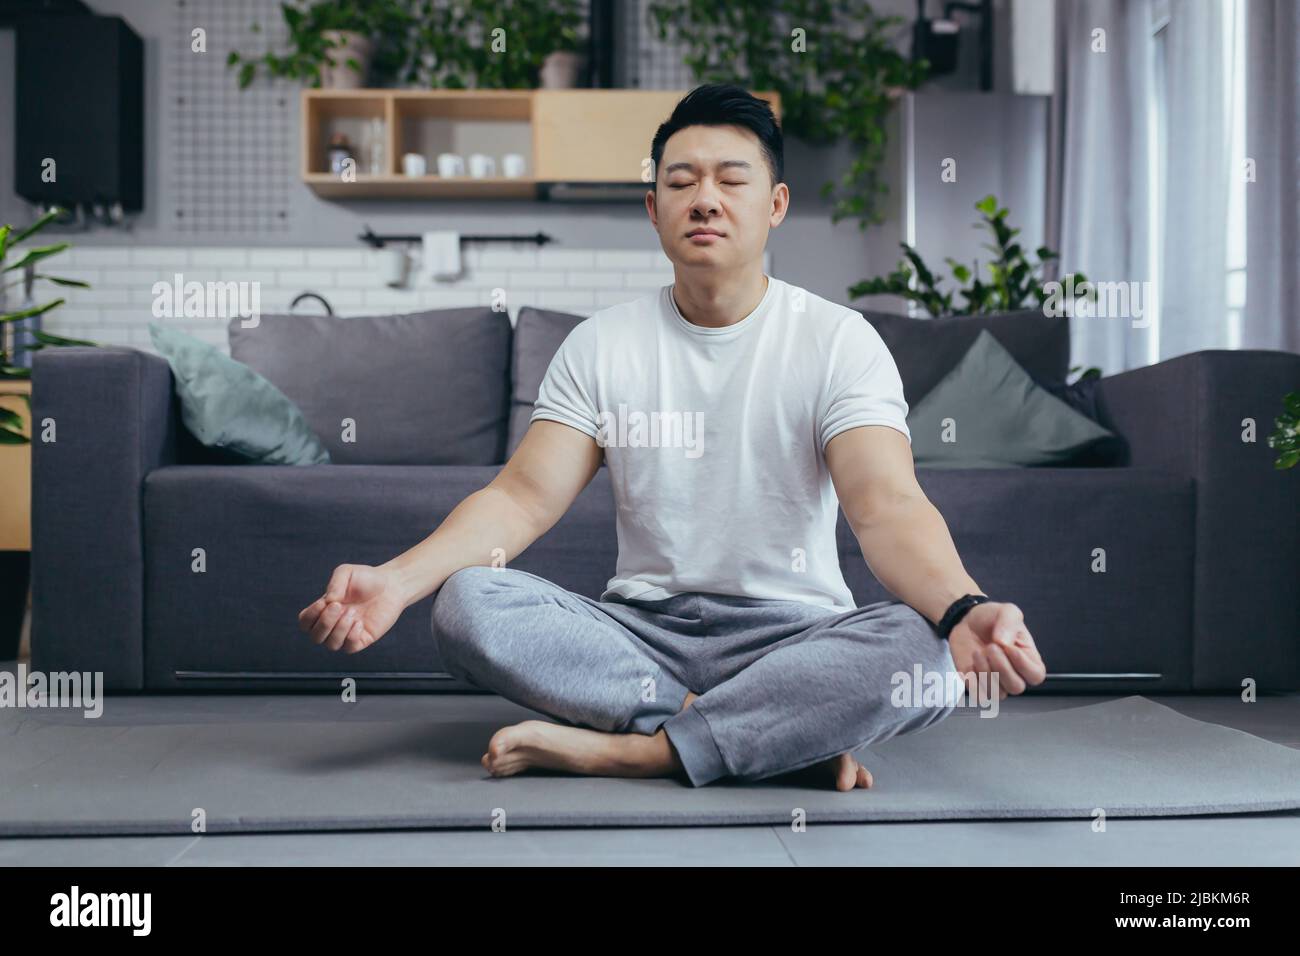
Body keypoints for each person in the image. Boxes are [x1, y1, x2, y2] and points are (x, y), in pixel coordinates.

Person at [298, 84, 1047, 790]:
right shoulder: (601, 344)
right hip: (641, 636)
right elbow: (521, 500)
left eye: (731, 179)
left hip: (793, 640)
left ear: (777, 203)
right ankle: (766, 742)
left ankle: (643, 750)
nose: (706, 200)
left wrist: (962, 608)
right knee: (468, 603)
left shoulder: (839, 341)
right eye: (682, 182)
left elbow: (886, 506)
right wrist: (396, 582)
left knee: (929, 655)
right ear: (653, 209)